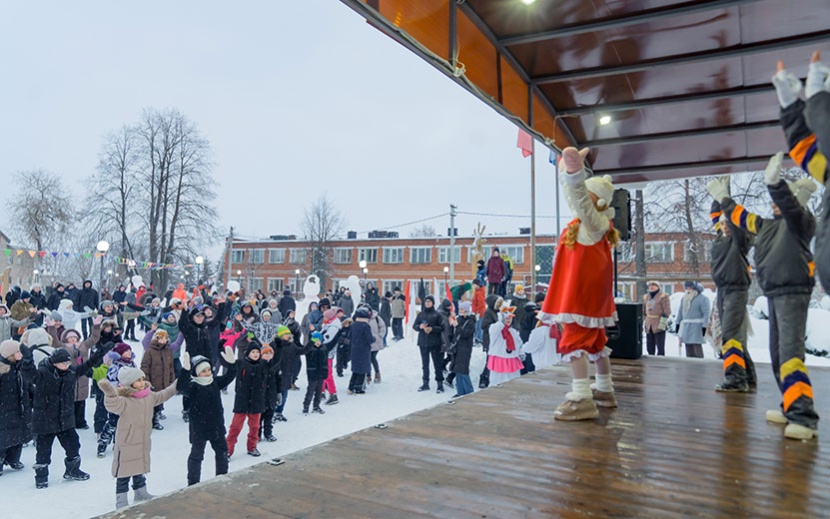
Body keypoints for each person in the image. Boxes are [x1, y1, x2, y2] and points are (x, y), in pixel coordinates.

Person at [712, 152, 820, 440]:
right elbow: (740, 218)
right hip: (775, 292)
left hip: (793, 293)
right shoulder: (766, 225)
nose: (774, 204)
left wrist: (776, 184)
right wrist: (724, 197)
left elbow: (791, 206)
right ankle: (789, 405)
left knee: (790, 354)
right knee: (777, 355)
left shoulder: (800, 222)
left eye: (780, 200)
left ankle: (803, 416)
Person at [539, 146, 619, 421]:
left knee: (575, 341)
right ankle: (604, 390)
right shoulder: (591, 224)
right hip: (588, 294)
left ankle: (582, 397)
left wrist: (574, 174)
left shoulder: (594, 222)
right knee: (596, 342)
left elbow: (579, 199)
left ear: (597, 201)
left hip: (581, 294)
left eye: (587, 192)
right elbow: (574, 198)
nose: (581, 196)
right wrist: (566, 172)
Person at [23, 340, 112, 488]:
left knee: (73, 445)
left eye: (68, 363)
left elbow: (87, 365)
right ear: (55, 363)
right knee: (43, 451)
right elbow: (29, 375)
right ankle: (41, 477)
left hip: (65, 419)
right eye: (63, 363)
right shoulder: (43, 374)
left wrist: (100, 352)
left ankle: (72, 470)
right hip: (44, 421)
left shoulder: (71, 372)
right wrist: (27, 360)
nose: (67, 365)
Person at [98, 366, 178, 509]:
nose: (142, 383)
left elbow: (163, 395)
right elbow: (113, 405)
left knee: (139, 467)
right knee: (124, 473)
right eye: (138, 381)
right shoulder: (124, 400)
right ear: (129, 383)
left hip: (142, 440)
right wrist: (110, 394)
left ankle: (140, 492)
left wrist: (176, 384)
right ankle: (121, 500)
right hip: (127, 441)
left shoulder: (149, 396)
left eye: (142, 379)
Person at [704, 184, 758, 392]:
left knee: (731, 335)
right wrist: (719, 195)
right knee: (735, 334)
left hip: (736, 290)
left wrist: (726, 200)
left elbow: (731, 221)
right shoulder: (720, 238)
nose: (725, 226)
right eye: (723, 223)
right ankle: (748, 374)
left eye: (729, 223)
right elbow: (716, 214)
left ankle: (736, 378)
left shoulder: (741, 241)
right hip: (723, 291)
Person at [178, 346, 237, 486]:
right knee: (197, 455)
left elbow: (230, 376)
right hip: (199, 428)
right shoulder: (193, 387)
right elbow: (181, 387)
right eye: (203, 371)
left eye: (209, 370)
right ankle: (193, 483)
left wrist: (232, 364)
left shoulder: (215, 382)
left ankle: (221, 478)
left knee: (222, 451)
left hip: (216, 426)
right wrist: (185, 371)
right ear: (197, 373)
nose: (207, 373)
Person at [226, 340, 278, 458]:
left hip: (257, 402)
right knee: (235, 427)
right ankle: (228, 450)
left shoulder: (263, 365)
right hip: (242, 402)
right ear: (248, 353)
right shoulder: (241, 363)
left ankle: (252, 447)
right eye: (253, 352)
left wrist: (275, 344)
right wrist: (220, 349)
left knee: (255, 427)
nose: (255, 354)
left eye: (257, 352)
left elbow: (275, 359)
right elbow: (229, 364)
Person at [50, 315, 103, 430]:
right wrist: (52, 328)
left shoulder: (84, 345)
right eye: (70, 337)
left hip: (82, 375)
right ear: (66, 339)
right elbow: (54, 340)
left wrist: (96, 326)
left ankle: (81, 421)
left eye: (75, 337)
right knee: (69, 399)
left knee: (81, 399)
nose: (73, 339)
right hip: (69, 374)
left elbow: (94, 338)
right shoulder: (62, 346)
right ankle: (69, 421)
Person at [140, 328, 183, 430]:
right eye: (161, 338)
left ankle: (157, 417)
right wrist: (146, 381)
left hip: (163, 380)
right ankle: (151, 421)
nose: (163, 340)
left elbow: (170, 367)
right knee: (152, 402)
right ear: (156, 339)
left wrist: (171, 380)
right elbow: (145, 366)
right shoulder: (150, 351)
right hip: (153, 381)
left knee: (160, 401)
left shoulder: (167, 351)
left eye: (165, 338)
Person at [0, 340, 30, 478]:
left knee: (18, 434)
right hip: (4, 409)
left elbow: (26, 386)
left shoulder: (19, 368)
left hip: (19, 407)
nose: (21, 354)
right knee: (3, 437)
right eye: (18, 351)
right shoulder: (3, 370)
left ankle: (13, 459)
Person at [412, 296, 444, 393]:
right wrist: (420, 327)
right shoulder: (421, 314)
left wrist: (432, 329)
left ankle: (439, 383)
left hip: (435, 342)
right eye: (426, 302)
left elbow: (442, 327)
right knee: (425, 364)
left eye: (429, 302)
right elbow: (415, 326)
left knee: (437, 364)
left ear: (433, 303)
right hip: (423, 342)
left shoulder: (437, 314)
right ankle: (425, 383)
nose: (428, 303)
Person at [486, 307, 524, 385]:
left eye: (510, 318)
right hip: (499, 358)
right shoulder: (495, 329)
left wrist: (521, 352)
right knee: (495, 381)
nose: (508, 320)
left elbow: (519, 344)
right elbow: (495, 329)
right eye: (506, 318)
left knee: (515, 380)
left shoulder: (513, 331)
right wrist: (501, 320)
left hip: (512, 358)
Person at [675, 282, 710, 359]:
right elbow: (680, 312)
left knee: (696, 347)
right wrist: (677, 323)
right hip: (686, 326)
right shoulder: (684, 299)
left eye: (690, 288)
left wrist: (704, 326)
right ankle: (689, 367)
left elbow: (706, 314)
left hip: (697, 326)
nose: (688, 290)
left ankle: (699, 366)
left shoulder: (702, 299)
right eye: (687, 288)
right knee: (688, 347)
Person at [450, 302, 476, 397]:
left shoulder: (470, 321)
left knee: (463, 370)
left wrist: (457, 326)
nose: (460, 311)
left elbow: (465, 334)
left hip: (465, 348)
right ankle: (460, 391)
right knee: (457, 370)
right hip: (458, 347)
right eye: (460, 309)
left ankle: (469, 391)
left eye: (462, 309)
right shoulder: (459, 319)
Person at [349, 309, 374, 395]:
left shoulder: (354, 325)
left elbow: (349, 336)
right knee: (362, 369)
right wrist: (374, 339)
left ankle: (351, 386)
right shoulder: (366, 326)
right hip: (363, 349)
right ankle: (358, 387)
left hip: (355, 349)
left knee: (355, 369)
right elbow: (370, 339)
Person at [642, 281, 671, 356]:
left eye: (654, 285)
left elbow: (667, 310)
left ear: (658, 287)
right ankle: (650, 357)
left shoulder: (663, 296)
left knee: (660, 344)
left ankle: (660, 359)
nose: (651, 287)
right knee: (650, 344)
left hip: (659, 321)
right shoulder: (646, 297)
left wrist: (663, 321)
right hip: (649, 323)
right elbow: (644, 309)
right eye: (650, 285)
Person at [259, 345, 280, 440]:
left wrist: (278, 392)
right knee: (259, 417)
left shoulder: (274, 365)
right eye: (265, 353)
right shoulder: (259, 365)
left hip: (272, 393)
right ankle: (257, 434)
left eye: (270, 353)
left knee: (269, 415)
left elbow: (278, 379)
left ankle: (268, 433)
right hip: (261, 395)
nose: (268, 355)